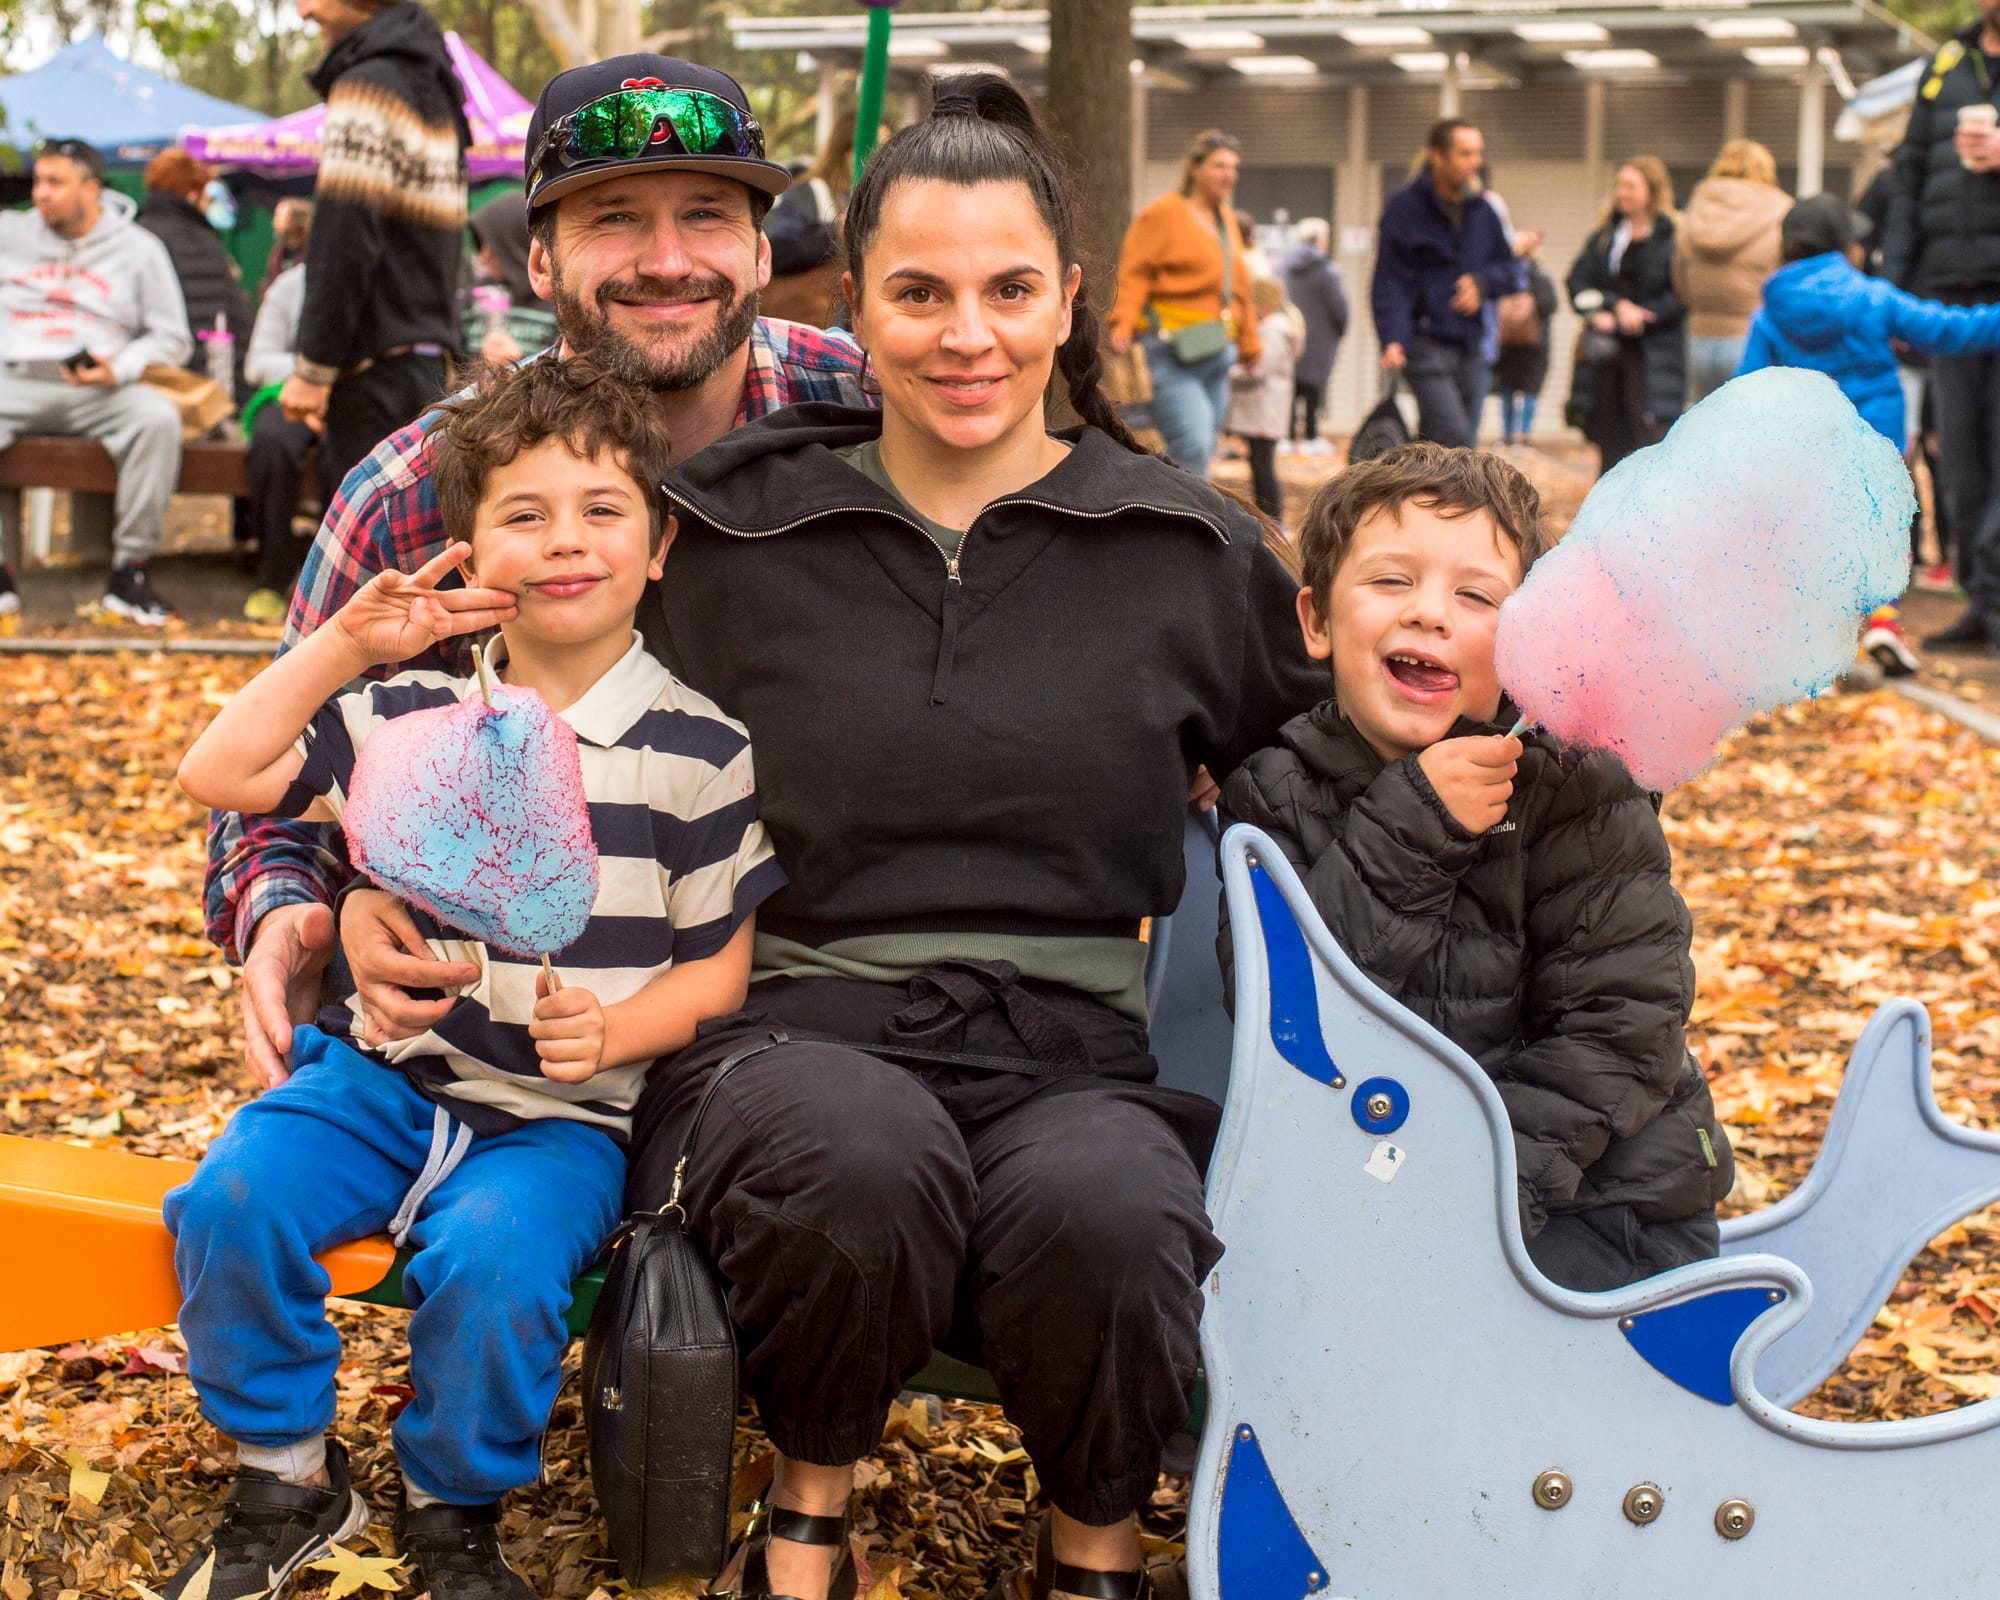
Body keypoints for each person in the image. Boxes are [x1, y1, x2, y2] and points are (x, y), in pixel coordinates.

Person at [332, 72, 1324, 1600]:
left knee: (1114, 1207)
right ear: (854, 308)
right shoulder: (726, 529)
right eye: (919, 294)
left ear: (1070, 299)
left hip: (1067, 1042)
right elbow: (506, 718)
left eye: (1009, 291)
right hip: (783, 1026)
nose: (967, 334)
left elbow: (1317, 774)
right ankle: (806, 1521)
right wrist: (354, 891)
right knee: (857, 1154)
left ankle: (1094, 1541)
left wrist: (1513, 776)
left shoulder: (1182, 548)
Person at [168, 356, 780, 1600]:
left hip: (562, 1120)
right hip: (379, 1082)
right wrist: (340, 645)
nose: (565, 541)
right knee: (230, 1199)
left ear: (659, 543)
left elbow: (719, 969)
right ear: (467, 547)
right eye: (524, 514)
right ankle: (286, 1471)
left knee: (498, 1267)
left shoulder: (699, 749)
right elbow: (219, 773)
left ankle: (454, 1501)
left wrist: (619, 1028)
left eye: (601, 509)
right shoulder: (408, 713)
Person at [204, 52, 863, 1092]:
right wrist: (302, 911)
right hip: (504, 1066)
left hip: (830, 1023)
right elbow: (271, 791)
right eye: (613, 219)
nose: (666, 260)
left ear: (757, 249)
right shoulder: (412, 493)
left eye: (705, 214)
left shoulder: (865, 413)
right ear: (541, 261)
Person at [1220, 441, 1735, 1292]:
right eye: (1392, 580)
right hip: (1369, 1195)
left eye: (1476, 596)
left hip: (1599, 1209)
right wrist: (1415, 824)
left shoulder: (1578, 790)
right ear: (1316, 621)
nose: (1429, 613)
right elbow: (1287, 1017)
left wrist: (1473, 1204)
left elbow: (1622, 1030)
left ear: (1531, 637)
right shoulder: (1274, 794)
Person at [1737, 192, 2000, 677]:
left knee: (1814, 538)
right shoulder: (1871, 297)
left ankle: (1812, 643)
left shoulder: (1770, 313)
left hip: (1807, 445)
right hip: (1875, 440)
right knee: (1881, 532)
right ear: (1843, 246)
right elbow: (1948, 330)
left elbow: (1747, 386)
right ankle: (1882, 623)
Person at [277, 0, 470, 501]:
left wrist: (313, 369)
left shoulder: (367, 84)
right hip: (429, 368)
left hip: (372, 378)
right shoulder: (432, 83)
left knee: (365, 542)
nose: (303, 11)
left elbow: (343, 239)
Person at [0, 138, 191, 625]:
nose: (40, 193)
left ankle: (131, 572)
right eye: (38, 181)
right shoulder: (8, 233)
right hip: (15, 380)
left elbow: (173, 337)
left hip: (101, 388)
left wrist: (120, 367)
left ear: (91, 189)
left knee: (158, 419)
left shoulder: (140, 249)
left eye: (55, 182)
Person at [1881, 4, 2000, 653]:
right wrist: (1894, 293)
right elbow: (1908, 183)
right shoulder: (1946, 64)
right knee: (1962, 460)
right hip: (1951, 295)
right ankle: (1983, 605)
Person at [1107, 128, 1262, 478]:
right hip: (1170, 350)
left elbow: (1240, 286)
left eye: (1233, 167)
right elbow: (1136, 271)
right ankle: (1183, 511)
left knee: (1203, 447)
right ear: (1195, 168)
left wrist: (1250, 342)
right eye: (1219, 166)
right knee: (1191, 445)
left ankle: (1176, 506)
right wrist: (1123, 321)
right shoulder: (1163, 214)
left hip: (1218, 351)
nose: (1229, 175)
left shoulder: (1225, 220)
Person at [1370, 120, 1522, 450]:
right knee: (1450, 434)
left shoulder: (1483, 211)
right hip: (1423, 342)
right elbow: (1390, 279)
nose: (1475, 162)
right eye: (1465, 153)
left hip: (1471, 345)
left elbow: (1510, 269)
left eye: (1478, 153)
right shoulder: (1404, 209)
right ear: (1437, 156)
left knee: (1457, 445)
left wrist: (1483, 285)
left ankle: (1425, 484)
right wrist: (1392, 338)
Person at [1566, 157, 1686, 476]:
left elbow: (1684, 293)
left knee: (1652, 441)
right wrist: (1608, 307)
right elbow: (1577, 282)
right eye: (1619, 185)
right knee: (1610, 443)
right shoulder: (1605, 237)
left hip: (1654, 358)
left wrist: (1645, 315)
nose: (1621, 193)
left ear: (1652, 190)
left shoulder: (1674, 236)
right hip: (1608, 359)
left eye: (1630, 186)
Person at [1673, 139, 1790, 404]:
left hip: (1699, 336)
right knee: (1752, 420)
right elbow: (1784, 278)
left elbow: (1680, 279)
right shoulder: (1780, 210)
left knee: (1704, 420)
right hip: (1752, 334)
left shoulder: (1694, 209)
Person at [135, 148, 254, 397]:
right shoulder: (204, 240)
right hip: (197, 380)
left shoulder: (135, 234)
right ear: (192, 195)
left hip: (144, 375)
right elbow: (235, 318)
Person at [239, 261, 321, 622]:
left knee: (351, 449)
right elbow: (258, 364)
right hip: (290, 395)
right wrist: (313, 376)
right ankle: (273, 573)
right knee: (272, 442)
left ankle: (336, 580)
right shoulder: (290, 285)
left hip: (356, 399)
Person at [1225, 277, 1300, 521]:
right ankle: (1268, 516)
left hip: (1264, 409)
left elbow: (1259, 368)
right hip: (1265, 409)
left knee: (1262, 466)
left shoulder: (1273, 331)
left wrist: (1230, 373)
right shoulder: (1279, 328)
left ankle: (1272, 518)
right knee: (1260, 464)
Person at [1278, 217, 1347, 455]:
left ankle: (1286, 437)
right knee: (1313, 389)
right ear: (1320, 239)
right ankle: (1311, 437)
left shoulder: (1283, 267)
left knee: (1291, 387)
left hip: (1290, 337)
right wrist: (1339, 330)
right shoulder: (1327, 270)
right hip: (1320, 340)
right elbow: (1340, 308)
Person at [466, 190, 557, 365]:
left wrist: (519, 362)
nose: (485, 255)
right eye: (481, 244)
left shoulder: (555, 304)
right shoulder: (475, 294)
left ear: (513, 244)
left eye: (493, 245)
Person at [1491, 237, 1557, 447]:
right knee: (1529, 388)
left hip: (1510, 343)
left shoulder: (1505, 275)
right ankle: (1522, 435)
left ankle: (1508, 434)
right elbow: (1549, 306)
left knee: (1509, 388)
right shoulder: (1540, 277)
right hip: (1532, 345)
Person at [260, 198, 313, 297]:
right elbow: (270, 280)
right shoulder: (278, 252)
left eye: (280, 216)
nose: (274, 221)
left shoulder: (311, 252)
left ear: (295, 219)